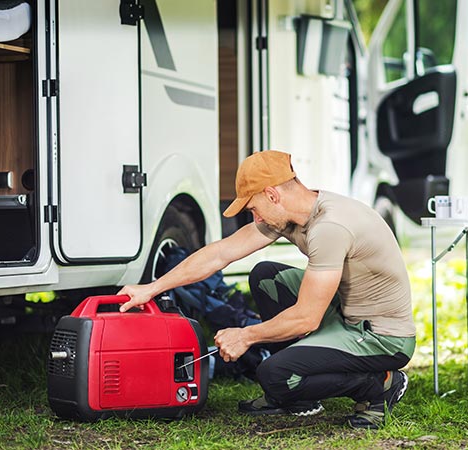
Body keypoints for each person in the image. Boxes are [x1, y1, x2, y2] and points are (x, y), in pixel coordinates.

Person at [118, 150, 416, 429]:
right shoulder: (292, 214)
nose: (255, 218)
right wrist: (151, 288)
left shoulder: (330, 227)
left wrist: (244, 336)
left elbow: (306, 319)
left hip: (381, 337)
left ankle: (379, 384)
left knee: (272, 373)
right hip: (347, 312)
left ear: (272, 195)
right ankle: (298, 396)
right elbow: (220, 253)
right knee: (265, 277)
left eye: (254, 208)